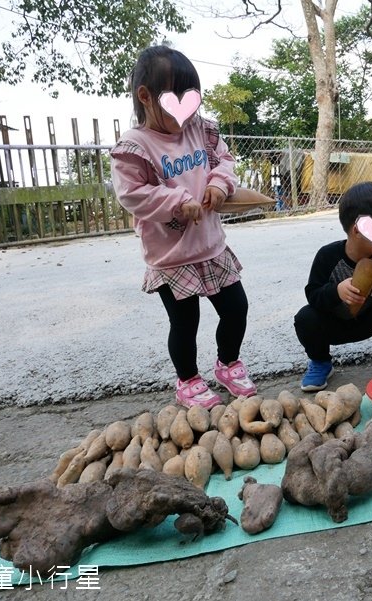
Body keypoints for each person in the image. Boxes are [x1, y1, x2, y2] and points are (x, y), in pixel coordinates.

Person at [110, 45, 256, 409]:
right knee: (185, 322)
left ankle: (228, 363)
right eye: (177, 98)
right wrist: (177, 201)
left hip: (210, 245)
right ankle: (188, 380)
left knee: (236, 308)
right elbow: (132, 195)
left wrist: (220, 183)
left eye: (192, 99)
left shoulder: (200, 131)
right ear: (146, 96)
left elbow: (224, 160)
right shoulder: (135, 147)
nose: (188, 109)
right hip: (171, 255)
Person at [294, 181, 372, 392]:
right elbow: (313, 294)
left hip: (368, 322)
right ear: (359, 230)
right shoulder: (328, 256)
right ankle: (321, 362)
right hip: (335, 324)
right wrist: (336, 291)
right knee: (305, 317)